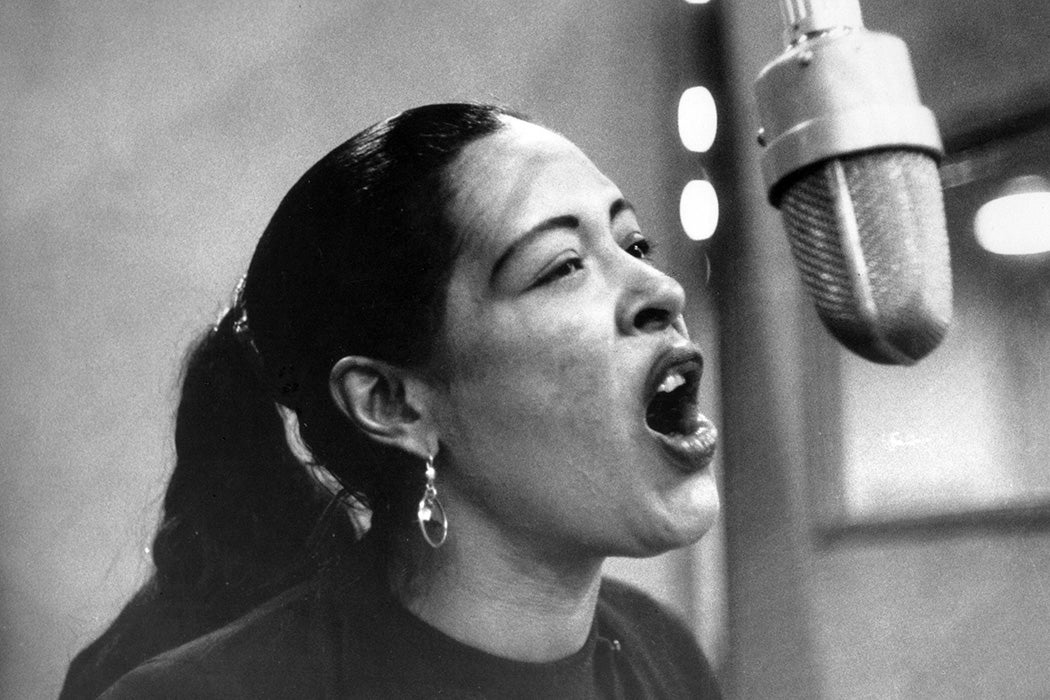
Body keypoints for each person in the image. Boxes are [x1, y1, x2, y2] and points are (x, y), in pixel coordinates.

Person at [61, 103, 723, 698]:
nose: (662, 288)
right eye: (561, 267)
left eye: (634, 244)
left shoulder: (663, 656)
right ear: (392, 403)